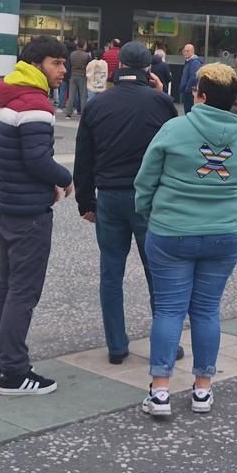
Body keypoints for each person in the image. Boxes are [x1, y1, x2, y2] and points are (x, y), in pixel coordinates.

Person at [134, 63, 237, 417]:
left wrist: (147, 211)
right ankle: (203, 389)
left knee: (169, 310)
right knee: (207, 311)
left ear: (199, 95)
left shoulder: (175, 128)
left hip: (172, 231)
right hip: (224, 234)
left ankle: (160, 392)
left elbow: (146, 179)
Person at [74, 42, 176, 363]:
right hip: (151, 199)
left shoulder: (97, 104)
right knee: (158, 272)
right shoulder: (161, 103)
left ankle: (117, 346)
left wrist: (85, 200)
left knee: (111, 272)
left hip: (109, 196)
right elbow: (174, 153)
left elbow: (84, 158)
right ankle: (166, 343)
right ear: (149, 68)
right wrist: (163, 93)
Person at [0, 36, 72, 396]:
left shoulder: (9, 93)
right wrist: (65, 178)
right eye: (56, 62)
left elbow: (8, 157)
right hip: (28, 211)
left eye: (64, 63)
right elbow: (36, 158)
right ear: (35, 63)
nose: (63, 70)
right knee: (23, 291)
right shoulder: (36, 104)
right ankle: (15, 374)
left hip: (6, 202)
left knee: (6, 285)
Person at [65, 40, 91, 118]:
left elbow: (68, 66)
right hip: (83, 76)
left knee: (71, 95)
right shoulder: (87, 55)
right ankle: (83, 113)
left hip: (73, 76)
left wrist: (68, 76)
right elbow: (89, 66)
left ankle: (68, 113)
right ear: (83, 46)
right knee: (83, 96)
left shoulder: (72, 54)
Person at [178, 43, 202, 114]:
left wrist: (187, 89)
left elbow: (193, 78)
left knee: (189, 111)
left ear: (192, 51)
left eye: (187, 51)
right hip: (188, 92)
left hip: (190, 93)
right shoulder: (189, 62)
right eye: (184, 51)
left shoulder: (195, 62)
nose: (185, 53)